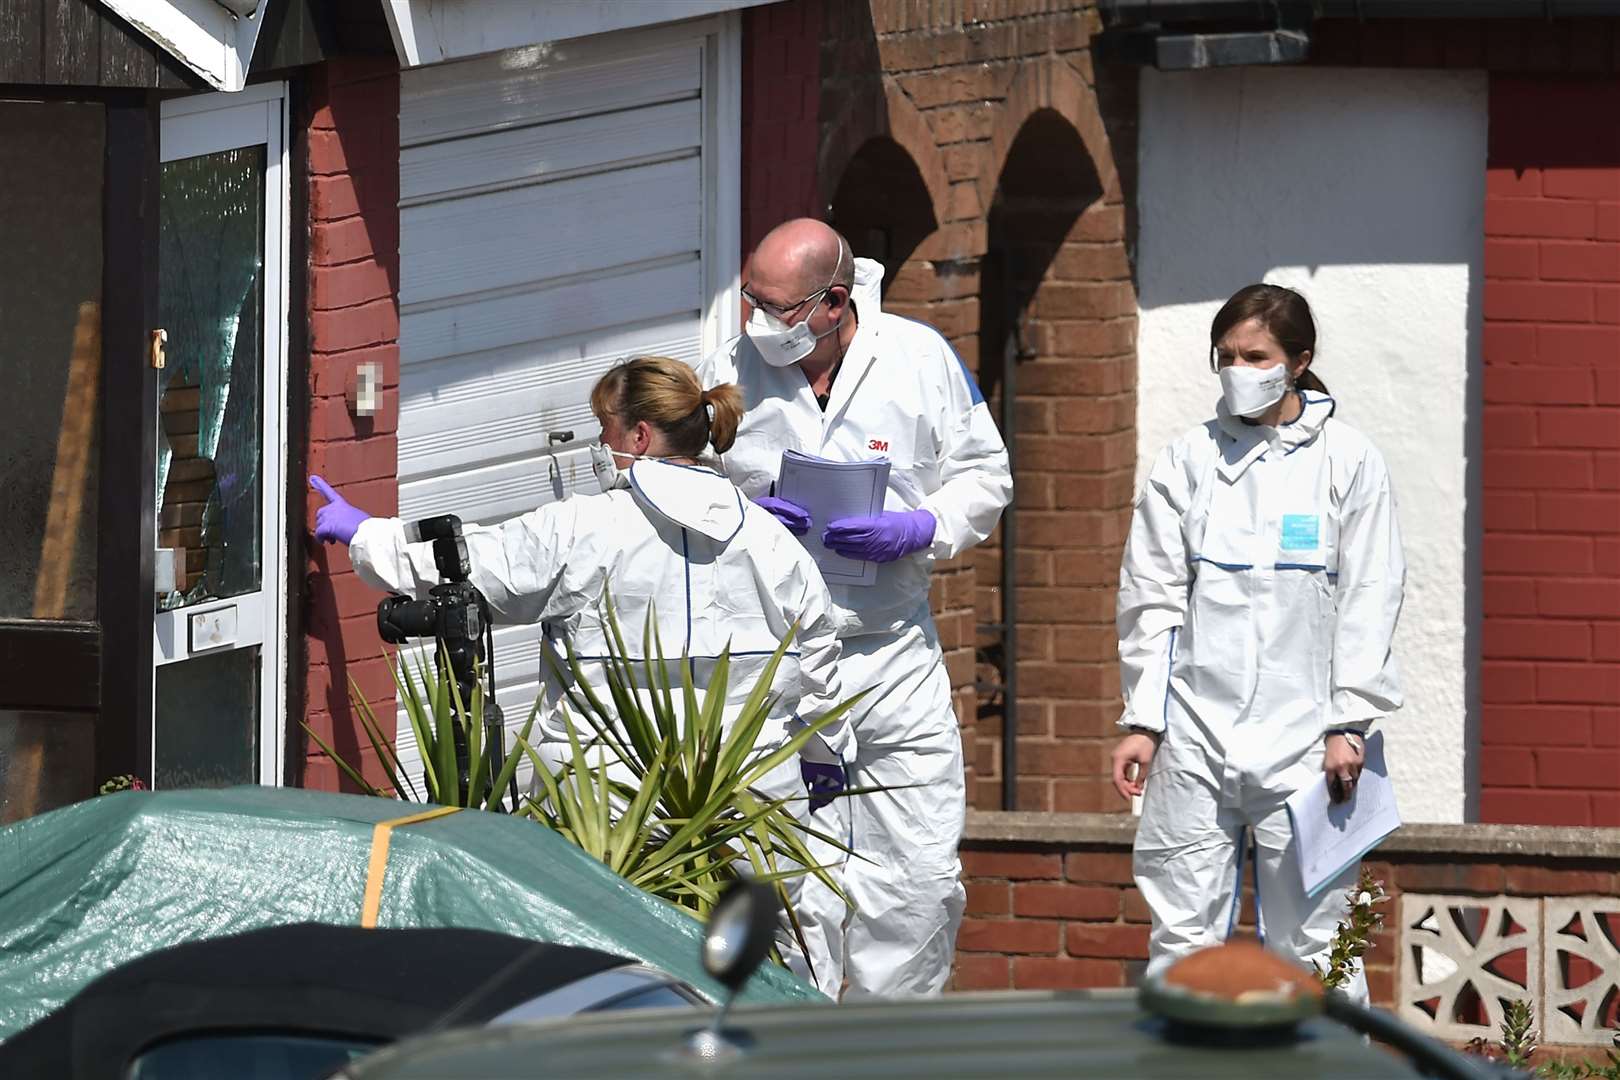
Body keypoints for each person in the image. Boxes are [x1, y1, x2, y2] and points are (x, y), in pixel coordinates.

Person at [309, 356, 852, 996]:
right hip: (752, 817)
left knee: (615, 999)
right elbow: (822, 666)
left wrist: (363, 534)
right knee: (760, 995)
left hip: (611, 824)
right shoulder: (771, 542)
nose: (600, 445)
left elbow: (467, 566)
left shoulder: (584, 529)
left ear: (639, 437)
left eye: (605, 428)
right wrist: (821, 758)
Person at [693, 218, 1012, 997]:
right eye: (750, 300)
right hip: (772, 661)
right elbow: (677, 482)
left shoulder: (919, 360)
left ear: (834, 302)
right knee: (786, 875)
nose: (755, 322)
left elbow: (986, 476)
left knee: (916, 881)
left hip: (889, 654)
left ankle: (885, 1051)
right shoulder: (727, 368)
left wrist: (921, 526)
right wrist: (744, 515)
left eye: (776, 307)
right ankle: (793, 1046)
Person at [1111, 284, 1405, 1001]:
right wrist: (1145, 721)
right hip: (1194, 742)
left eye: (1256, 355)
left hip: (1309, 746)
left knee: (1316, 946)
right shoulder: (1187, 462)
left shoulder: (1349, 463)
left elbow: (1371, 598)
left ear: (1299, 362)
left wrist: (1348, 724)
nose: (1239, 368)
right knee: (1181, 943)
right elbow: (1151, 597)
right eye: (1227, 356)